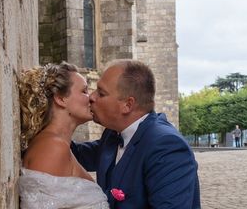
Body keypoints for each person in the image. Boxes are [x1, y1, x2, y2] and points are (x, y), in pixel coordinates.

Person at [71, 59, 201, 208]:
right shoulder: (113, 134)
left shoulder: (167, 147)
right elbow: (75, 154)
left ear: (128, 104)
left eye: (101, 93)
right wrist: (66, 119)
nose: (91, 97)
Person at [18, 62, 109, 208]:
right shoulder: (52, 148)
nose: (91, 97)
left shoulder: (59, 145)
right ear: (60, 98)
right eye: (84, 91)